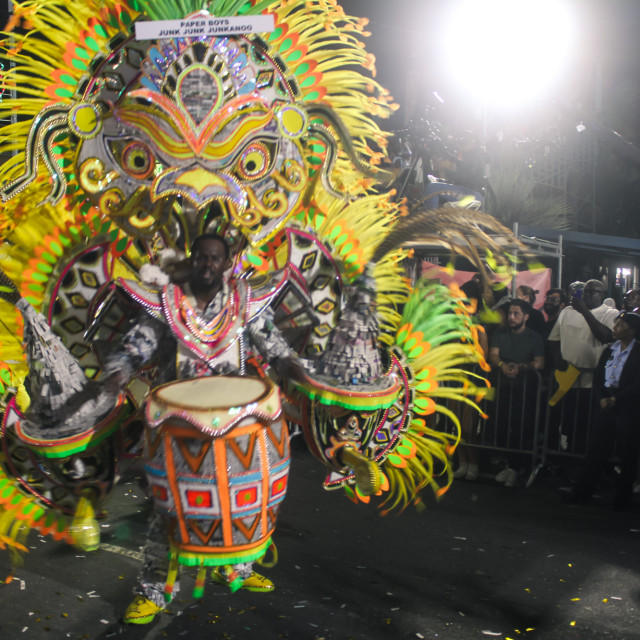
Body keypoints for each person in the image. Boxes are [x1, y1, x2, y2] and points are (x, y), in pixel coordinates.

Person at [104, 233, 306, 624]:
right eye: (202, 257)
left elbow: (275, 348)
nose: (208, 265)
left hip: (236, 425)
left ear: (227, 262)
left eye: (216, 259)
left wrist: (297, 373)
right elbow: (136, 346)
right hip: (178, 428)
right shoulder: (167, 301)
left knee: (240, 499)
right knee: (169, 511)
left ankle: (236, 569)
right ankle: (154, 590)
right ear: (193, 259)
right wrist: (118, 373)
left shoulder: (244, 302)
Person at [567, 311, 640, 509]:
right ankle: (583, 491)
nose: (615, 328)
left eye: (621, 325)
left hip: (628, 407)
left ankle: (622, 498)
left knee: (628, 454)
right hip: (607, 403)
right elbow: (599, 377)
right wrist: (602, 398)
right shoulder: (610, 350)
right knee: (596, 449)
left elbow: (637, 384)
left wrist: (617, 398)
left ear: (632, 331)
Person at [548, 279, 618, 454]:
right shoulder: (567, 311)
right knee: (566, 424)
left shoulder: (610, 313)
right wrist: (557, 358)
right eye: (585, 291)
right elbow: (554, 339)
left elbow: (606, 336)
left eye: (591, 292)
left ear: (602, 295)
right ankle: (564, 459)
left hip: (592, 382)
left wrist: (584, 311)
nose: (586, 295)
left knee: (586, 427)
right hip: (567, 379)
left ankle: (584, 462)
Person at [489, 299, 544, 486]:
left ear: (526, 317)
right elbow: (493, 354)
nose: (512, 317)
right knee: (501, 425)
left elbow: (539, 362)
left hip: (525, 386)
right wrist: (503, 365)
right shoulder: (500, 332)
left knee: (521, 427)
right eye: (510, 314)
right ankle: (510, 465)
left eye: (516, 314)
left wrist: (522, 367)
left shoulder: (534, 337)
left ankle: (516, 467)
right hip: (503, 384)